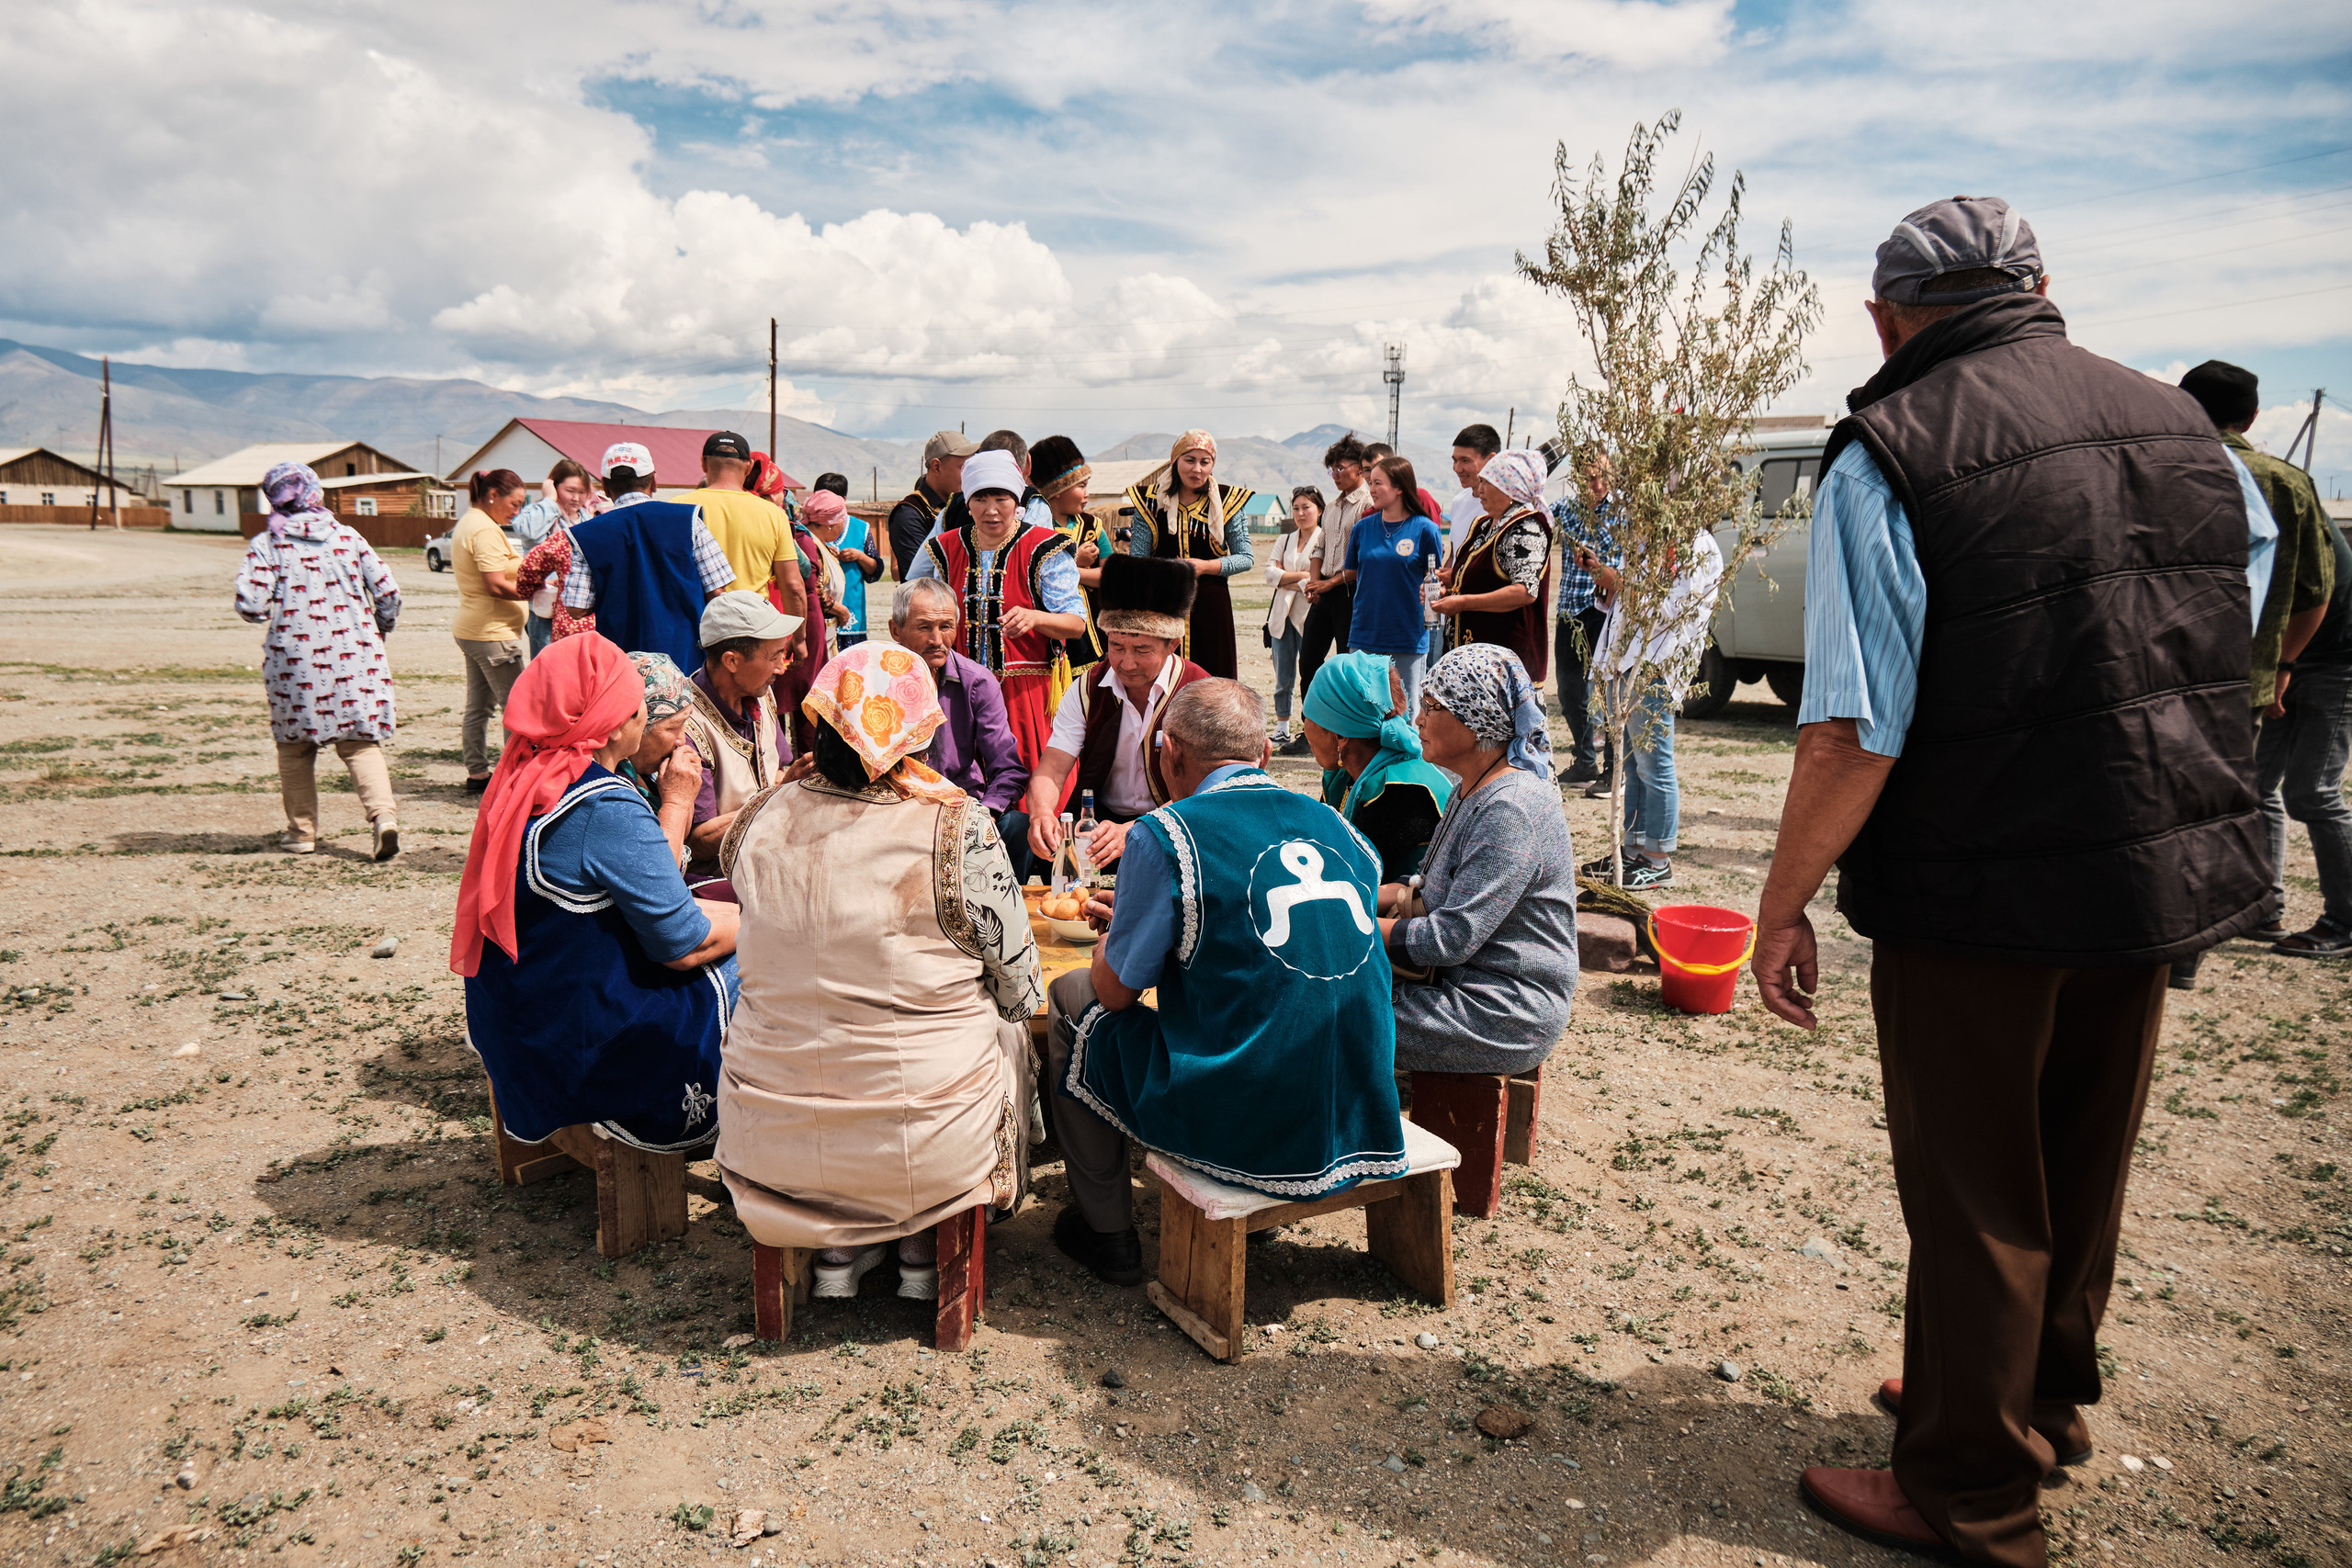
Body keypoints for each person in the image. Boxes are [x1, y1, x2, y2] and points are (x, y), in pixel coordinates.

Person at [1748, 197, 2277, 1568]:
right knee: (2081, 1143)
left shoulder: (1890, 451)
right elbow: (2237, 619)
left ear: (1886, 318)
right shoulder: (2186, 431)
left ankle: (1972, 1490)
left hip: (1985, 879)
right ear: (2041, 284)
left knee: (1976, 1176)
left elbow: (1857, 723)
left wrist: (1781, 898)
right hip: (2153, 857)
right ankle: (2037, 1399)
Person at [1043, 679, 1406, 1284]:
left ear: (1170, 753)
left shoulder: (1165, 834)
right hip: (1359, 1103)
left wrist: (1115, 945)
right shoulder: (1341, 829)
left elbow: (1114, 993)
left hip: (1247, 1112)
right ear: (1265, 752)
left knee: (1072, 997)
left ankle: (1107, 1232)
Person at [716, 639, 1042, 1301]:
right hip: (928, 1146)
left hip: (773, 1138)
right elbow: (1020, 984)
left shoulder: (757, 820)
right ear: (917, 730)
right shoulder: (955, 827)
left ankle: (841, 1240)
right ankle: (919, 1240)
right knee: (1005, 1031)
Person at [452, 633, 740, 1154]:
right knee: (762, 969)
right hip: (575, 1045)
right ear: (620, 720)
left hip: (519, 1017)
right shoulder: (603, 807)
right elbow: (683, 947)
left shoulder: (526, 774)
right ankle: (755, 1129)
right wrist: (764, 922)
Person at [2178, 361, 2342, 956]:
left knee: (2165, 799)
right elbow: (2313, 592)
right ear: (2251, 416)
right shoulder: (2287, 480)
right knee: (2239, 793)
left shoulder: (2163, 465)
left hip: (2174, 670)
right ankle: (2245, 912)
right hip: (2256, 670)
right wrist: (2282, 666)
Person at [1383, 645, 1577, 1074]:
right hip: (1465, 983)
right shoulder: (1473, 786)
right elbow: (1426, 889)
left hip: (1502, 1010)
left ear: (1477, 719)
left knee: (1326, 1011)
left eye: (1432, 707)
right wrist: (1346, 899)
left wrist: (1348, 925)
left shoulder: (1510, 807)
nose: (1417, 719)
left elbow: (1449, 939)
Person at [233, 460, 403, 859]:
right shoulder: (348, 537)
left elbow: (251, 604)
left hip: (294, 659)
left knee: (294, 749)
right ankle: (384, 819)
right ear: (315, 493)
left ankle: (302, 833)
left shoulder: (268, 544)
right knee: (360, 744)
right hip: (355, 654)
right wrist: (380, 626)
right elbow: (388, 593)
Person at [1023, 555, 1212, 873]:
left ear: (1173, 644)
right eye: (1116, 646)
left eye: (1142, 651)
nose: (1126, 663)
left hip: (1176, 828)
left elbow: (1203, 790)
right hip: (1100, 830)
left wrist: (1138, 829)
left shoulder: (1200, 692)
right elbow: (1052, 770)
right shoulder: (1088, 688)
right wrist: (1040, 813)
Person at [910, 448, 1087, 769]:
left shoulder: (1046, 547)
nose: (991, 510)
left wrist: (1036, 618)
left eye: (1001, 499)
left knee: (1025, 778)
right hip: (958, 688)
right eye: (980, 499)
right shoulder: (947, 547)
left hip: (1025, 692)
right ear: (967, 501)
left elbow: (1076, 624)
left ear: (1017, 502)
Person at [1578, 506, 1724, 891]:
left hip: (1655, 665)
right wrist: (1606, 582)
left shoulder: (1697, 546)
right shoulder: (1649, 540)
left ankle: (1657, 859)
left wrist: (1621, 582)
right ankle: (1631, 851)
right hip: (1624, 663)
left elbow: (1678, 610)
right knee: (1630, 766)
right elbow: (1624, 607)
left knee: (1654, 764)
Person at [892, 578, 1034, 876]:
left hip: (966, 811)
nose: (937, 639)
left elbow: (1008, 769)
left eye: (946, 626)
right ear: (896, 631)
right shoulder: (876, 682)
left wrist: (988, 814)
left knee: (1017, 826)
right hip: (897, 813)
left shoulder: (977, 682)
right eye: (924, 627)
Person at [563, 442, 741, 678]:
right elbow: (717, 592)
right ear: (654, 481)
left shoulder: (586, 535)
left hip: (622, 666)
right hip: (686, 660)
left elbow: (576, 607)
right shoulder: (687, 520)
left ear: (604, 486)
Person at [680, 592, 802, 886]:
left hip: (767, 856)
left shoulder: (760, 691)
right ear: (731, 660)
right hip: (720, 879)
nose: (781, 668)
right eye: (774, 657)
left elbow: (777, 767)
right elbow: (699, 840)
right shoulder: (687, 725)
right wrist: (782, 794)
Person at [1303, 652, 1451, 881]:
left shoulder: (1402, 792)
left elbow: (1356, 879)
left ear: (1340, 735)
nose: (1305, 729)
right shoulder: (1346, 774)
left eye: (1309, 717)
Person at [1124, 430, 1256, 679]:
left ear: (1212, 465)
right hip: (1162, 605)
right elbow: (1137, 560)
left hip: (1211, 606)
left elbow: (1245, 557)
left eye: (1205, 462)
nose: (1197, 469)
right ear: (1175, 462)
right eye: (1190, 460)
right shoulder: (1149, 502)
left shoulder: (1228, 502)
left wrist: (1205, 566)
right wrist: (1169, 569)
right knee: (1164, 678)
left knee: (1213, 679)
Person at [1338, 454, 1444, 715]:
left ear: (1399, 487)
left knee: (1403, 714)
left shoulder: (1425, 529)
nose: (1371, 489)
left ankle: (1404, 758)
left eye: (1378, 483)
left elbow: (1436, 579)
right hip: (1365, 633)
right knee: (1364, 714)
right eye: (1370, 482)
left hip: (1406, 635)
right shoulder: (1362, 528)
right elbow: (1351, 571)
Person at [1437, 447, 1555, 682]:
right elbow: (1485, 577)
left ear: (1509, 488)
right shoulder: (1484, 525)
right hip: (1473, 659)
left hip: (1503, 665)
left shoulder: (1526, 527)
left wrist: (1462, 602)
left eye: (1487, 483)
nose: (1479, 490)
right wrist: (1450, 584)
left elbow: (1524, 591)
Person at [450, 468, 533, 794]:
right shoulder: (484, 530)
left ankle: (478, 774)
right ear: (493, 495)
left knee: (478, 706)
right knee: (517, 709)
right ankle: (513, 780)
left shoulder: (471, 521)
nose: (517, 511)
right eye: (515, 504)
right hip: (492, 634)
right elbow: (495, 584)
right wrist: (534, 593)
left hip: (475, 628)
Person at [745, 449, 832, 754]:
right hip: (793, 617)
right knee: (795, 698)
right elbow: (801, 577)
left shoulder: (753, 521)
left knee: (781, 697)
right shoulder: (780, 524)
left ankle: (782, 765)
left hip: (778, 616)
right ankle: (801, 767)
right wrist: (801, 637)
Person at [676, 431, 808, 619]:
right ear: (749, 467)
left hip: (695, 623)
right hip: (753, 626)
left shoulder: (676, 506)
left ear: (703, 463)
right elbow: (793, 586)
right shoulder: (772, 514)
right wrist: (799, 638)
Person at [1552, 453, 1623, 788]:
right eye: (1589, 478)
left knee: (1609, 694)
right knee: (1569, 692)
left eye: (1602, 477)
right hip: (1570, 609)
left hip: (1606, 612)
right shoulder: (1564, 510)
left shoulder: (1622, 513)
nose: (1597, 486)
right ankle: (1585, 762)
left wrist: (1601, 570)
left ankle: (1613, 769)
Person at [1300, 432, 1373, 695]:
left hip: (1350, 594)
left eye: (1340, 468)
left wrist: (1326, 584)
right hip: (1325, 591)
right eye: (1332, 469)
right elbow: (1319, 546)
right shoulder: (1331, 507)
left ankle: (1346, 731)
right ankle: (1310, 727)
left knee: (1347, 662)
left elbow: (1364, 560)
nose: (1335, 474)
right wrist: (1314, 582)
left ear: (1359, 469)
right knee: (1308, 660)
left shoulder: (1368, 504)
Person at [620, 651, 703, 874]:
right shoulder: (613, 785)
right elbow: (663, 873)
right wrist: (677, 801)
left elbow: (680, 839)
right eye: (672, 727)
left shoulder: (652, 771)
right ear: (634, 725)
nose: (681, 740)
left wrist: (686, 795)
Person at [1033, 434, 1108, 670]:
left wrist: (1072, 570)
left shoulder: (1093, 527)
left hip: (1096, 628)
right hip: (1054, 630)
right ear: (1058, 490)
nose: (1087, 494)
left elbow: (1110, 577)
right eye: (1081, 486)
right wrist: (1078, 563)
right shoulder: (1037, 530)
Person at [513, 459, 596, 654]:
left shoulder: (587, 518)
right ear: (553, 486)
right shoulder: (541, 512)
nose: (576, 498)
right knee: (547, 666)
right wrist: (549, 501)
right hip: (545, 609)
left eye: (582, 492)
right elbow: (526, 531)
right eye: (570, 490)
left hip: (576, 609)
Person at [1263, 486, 1322, 752]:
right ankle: (1282, 729)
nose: (1300, 513)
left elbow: (1317, 579)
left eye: (1306, 507)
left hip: (1309, 615)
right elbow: (1269, 574)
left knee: (1310, 673)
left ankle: (1311, 729)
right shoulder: (1285, 539)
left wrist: (1287, 576)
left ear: (1319, 510)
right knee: (1282, 674)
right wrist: (1301, 577)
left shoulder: (1324, 538)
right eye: (1296, 508)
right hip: (1281, 616)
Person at [887, 430, 978, 581]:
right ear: (936, 467)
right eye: (962, 468)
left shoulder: (963, 505)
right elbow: (921, 579)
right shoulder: (910, 513)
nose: (969, 475)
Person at [812, 472, 881, 651]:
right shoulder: (809, 531)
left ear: (843, 500)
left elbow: (875, 571)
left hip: (852, 613)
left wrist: (860, 556)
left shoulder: (860, 528)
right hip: (819, 613)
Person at [1442, 424, 1502, 566]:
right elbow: (1454, 557)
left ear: (1491, 459)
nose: (1457, 468)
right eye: (1455, 460)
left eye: (1465, 460)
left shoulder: (1510, 508)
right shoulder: (1458, 502)